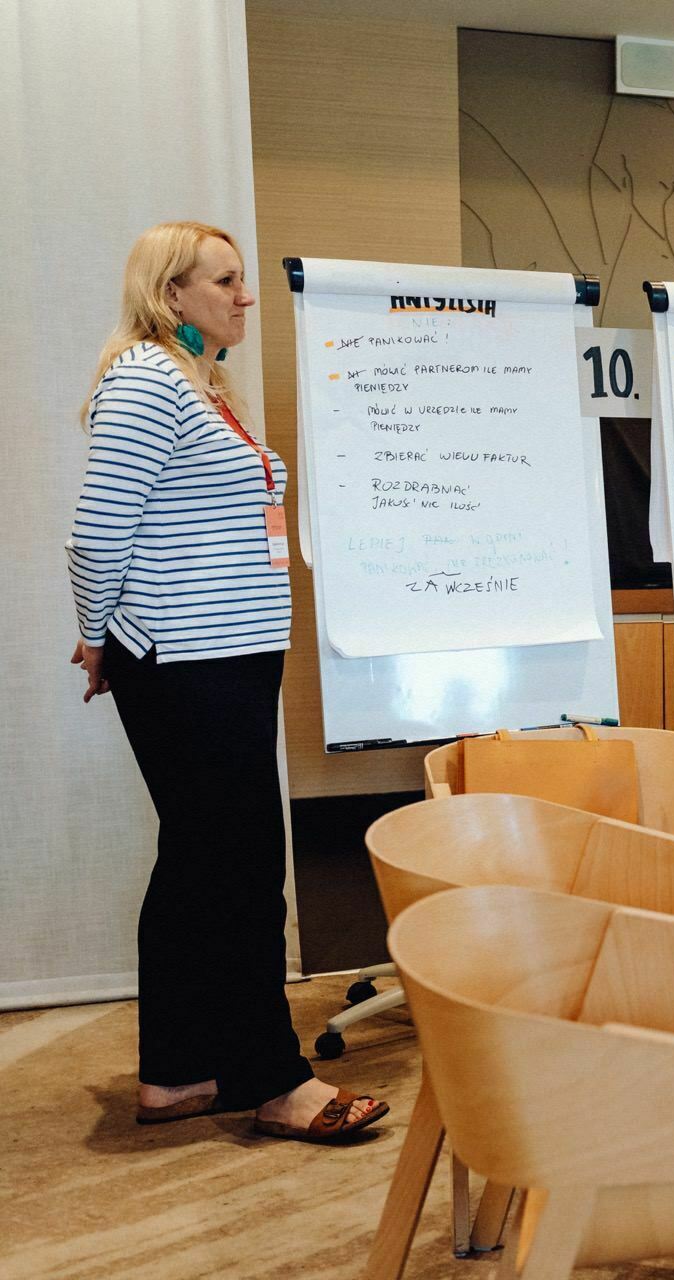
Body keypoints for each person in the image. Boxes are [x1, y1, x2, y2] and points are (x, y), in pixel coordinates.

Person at [67, 221, 386, 1142]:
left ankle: (174, 1072)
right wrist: (100, 640)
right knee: (242, 870)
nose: (246, 297)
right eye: (227, 281)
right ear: (172, 296)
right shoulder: (145, 380)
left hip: (223, 663)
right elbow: (97, 535)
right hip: (190, 668)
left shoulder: (199, 384)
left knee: (197, 861)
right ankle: (270, 1080)